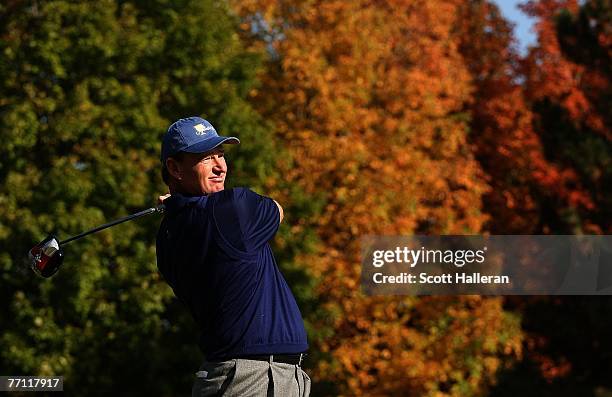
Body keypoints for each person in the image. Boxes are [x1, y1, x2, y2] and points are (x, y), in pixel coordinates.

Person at [155, 116, 311, 396]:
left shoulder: (167, 236)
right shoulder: (234, 209)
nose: (220, 167)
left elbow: (197, 220)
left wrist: (183, 205)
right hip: (252, 380)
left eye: (221, 155)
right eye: (206, 158)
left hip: (247, 376)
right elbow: (278, 209)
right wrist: (193, 205)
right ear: (174, 168)